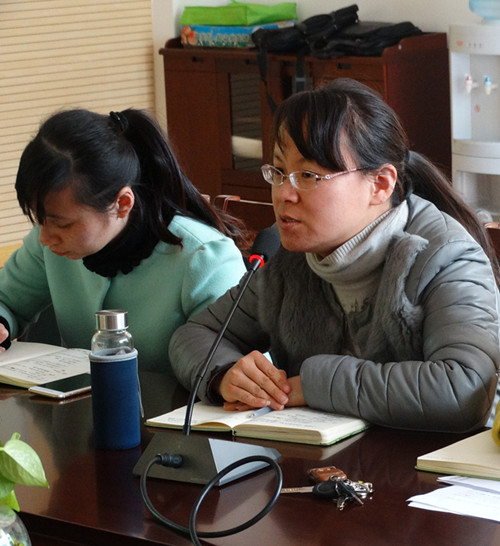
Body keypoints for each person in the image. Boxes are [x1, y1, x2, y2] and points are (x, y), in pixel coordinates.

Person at [169, 78, 500, 432]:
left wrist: (315, 384)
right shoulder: (288, 258)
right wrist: (224, 374)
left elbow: (464, 389)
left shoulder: (445, 257)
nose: (283, 194)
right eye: (279, 172)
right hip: (321, 460)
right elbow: (196, 333)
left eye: (307, 175)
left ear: (380, 184)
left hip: (430, 462)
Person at [0, 108, 248, 373]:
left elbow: (241, 367)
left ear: (122, 204)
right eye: (40, 220)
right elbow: (6, 300)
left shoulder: (204, 257)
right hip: (78, 399)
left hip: (179, 401)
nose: (45, 237)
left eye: (63, 224)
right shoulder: (51, 242)